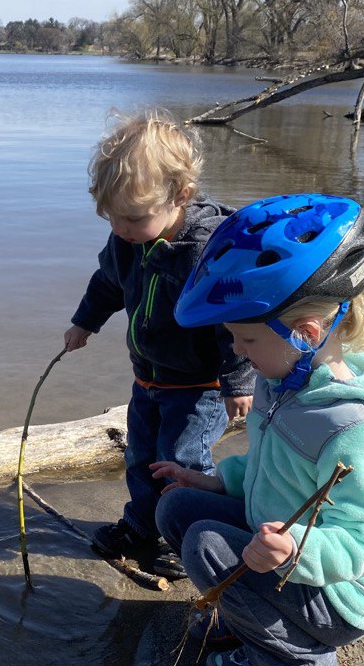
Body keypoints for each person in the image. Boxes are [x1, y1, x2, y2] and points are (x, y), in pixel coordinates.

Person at [151, 193, 364, 666]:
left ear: (306, 334)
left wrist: (295, 549)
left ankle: (299, 661)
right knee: (177, 508)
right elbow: (269, 467)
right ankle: (248, 612)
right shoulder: (281, 381)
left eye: (247, 340)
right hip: (278, 544)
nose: (236, 350)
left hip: (339, 593)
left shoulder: (355, 429)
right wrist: (212, 481)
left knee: (205, 545)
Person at [64, 109, 255, 579]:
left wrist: (237, 382)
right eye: (112, 218)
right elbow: (108, 283)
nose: (122, 229)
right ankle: (142, 525)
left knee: (181, 461)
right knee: (141, 456)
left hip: (200, 385)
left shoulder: (207, 248)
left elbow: (233, 322)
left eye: (132, 218)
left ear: (181, 196)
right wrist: (84, 323)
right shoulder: (127, 241)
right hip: (147, 377)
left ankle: (181, 534)